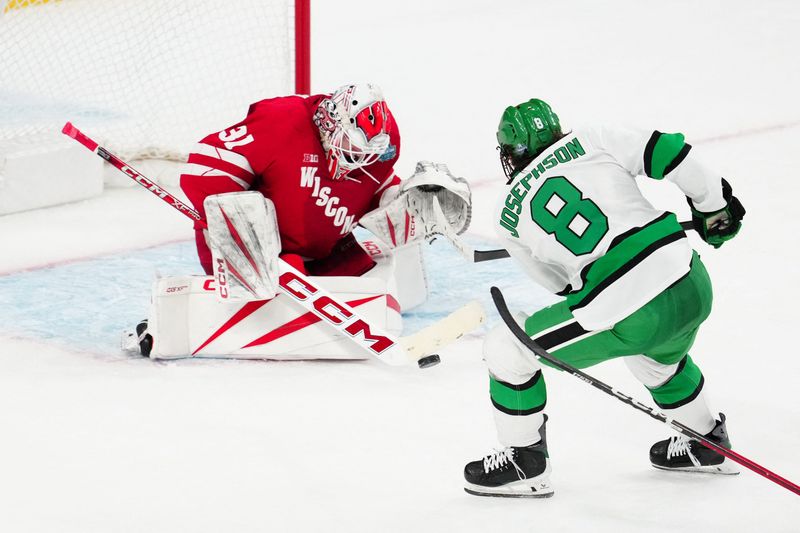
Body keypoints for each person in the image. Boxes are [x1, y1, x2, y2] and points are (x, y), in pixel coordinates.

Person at [463, 98, 746, 498]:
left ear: (511, 153)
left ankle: (523, 463)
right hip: (691, 280)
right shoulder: (592, 137)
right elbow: (670, 151)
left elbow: (562, 288)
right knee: (654, 360)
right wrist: (714, 210)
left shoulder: (508, 212)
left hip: (630, 311)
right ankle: (704, 440)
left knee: (507, 350)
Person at [127, 83, 471, 358]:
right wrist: (242, 230)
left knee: (371, 262)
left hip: (322, 251)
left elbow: (377, 190)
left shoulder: (381, 146)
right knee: (270, 262)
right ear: (329, 124)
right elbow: (202, 170)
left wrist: (409, 204)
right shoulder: (282, 120)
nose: (353, 165)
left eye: (362, 157)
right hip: (257, 255)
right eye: (350, 152)